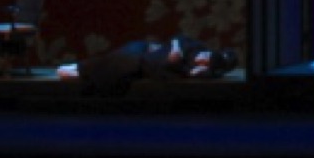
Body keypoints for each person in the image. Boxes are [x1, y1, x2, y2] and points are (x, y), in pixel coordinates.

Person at [56, 35, 239, 96]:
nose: (202, 58)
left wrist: (198, 70)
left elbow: (196, 74)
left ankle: (83, 71)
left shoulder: (202, 70)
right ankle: (84, 69)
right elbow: (178, 38)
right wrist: (176, 50)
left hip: (149, 65)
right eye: (206, 55)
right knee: (128, 53)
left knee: (129, 63)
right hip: (148, 49)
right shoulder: (197, 47)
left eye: (206, 61)